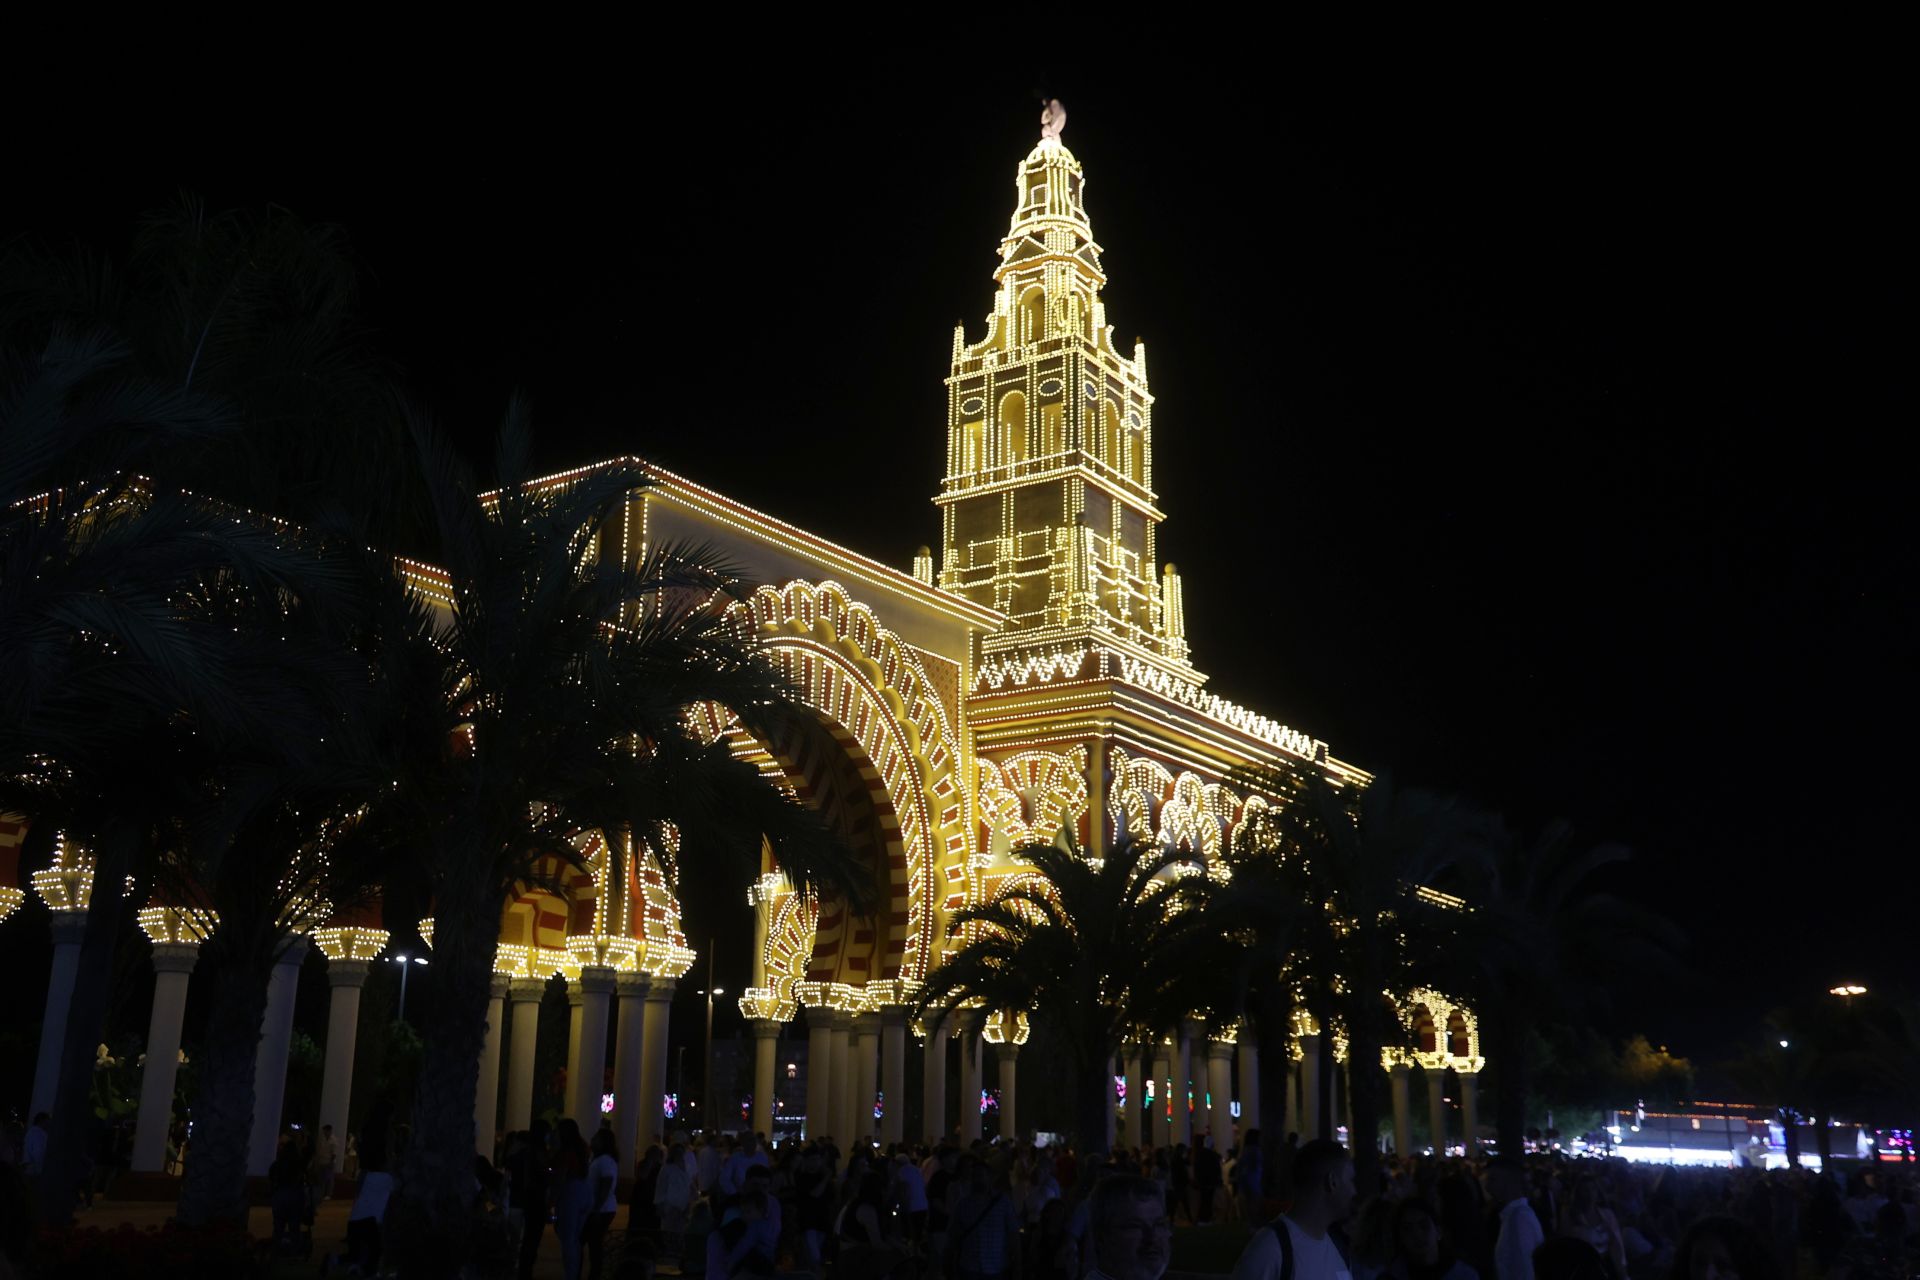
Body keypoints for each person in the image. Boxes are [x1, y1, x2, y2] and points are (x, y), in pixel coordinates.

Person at [1229, 1138, 1355, 1280]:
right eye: (1351, 1180)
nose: (1354, 1191)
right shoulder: (1270, 1251)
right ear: (1332, 1182)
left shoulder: (1339, 1248)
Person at [1387, 1198, 1479, 1280]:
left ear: (1438, 1232)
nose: (1417, 1234)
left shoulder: (1464, 1275)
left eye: (1424, 1226)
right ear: (1400, 1237)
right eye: (1407, 1229)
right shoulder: (1393, 1275)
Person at [1489, 1157, 1547, 1280]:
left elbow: (1525, 1271)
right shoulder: (1515, 1216)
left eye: (1493, 1179)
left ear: (1509, 1181)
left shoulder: (1519, 1218)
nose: (1487, 1186)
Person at [511, 1120, 553, 1280]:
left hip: (525, 1199)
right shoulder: (539, 1152)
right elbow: (544, 1175)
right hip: (535, 1200)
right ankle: (525, 1272)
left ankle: (523, 1271)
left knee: (526, 1240)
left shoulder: (525, 1152)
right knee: (531, 1240)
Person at [553, 1118, 593, 1280]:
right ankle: (573, 1273)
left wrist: (552, 1198)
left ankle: (570, 1274)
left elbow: (560, 1176)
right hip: (584, 1191)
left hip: (570, 1193)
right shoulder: (583, 1149)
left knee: (568, 1238)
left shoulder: (566, 1151)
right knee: (575, 1238)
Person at [584, 1128, 620, 1280]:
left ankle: (595, 1274)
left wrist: (597, 1208)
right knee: (594, 1243)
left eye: (595, 1139)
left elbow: (606, 1184)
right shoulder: (601, 1159)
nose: (592, 1141)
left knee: (595, 1244)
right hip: (602, 1207)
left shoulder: (604, 1160)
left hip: (602, 1209)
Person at [1233, 1131, 1265, 1226]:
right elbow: (1257, 1166)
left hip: (1245, 1181)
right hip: (1254, 1180)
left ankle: (1250, 1225)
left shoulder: (1244, 1151)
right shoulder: (1255, 1151)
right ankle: (1254, 1225)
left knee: (1248, 1205)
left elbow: (1240, 1168)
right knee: (1254, 1204)